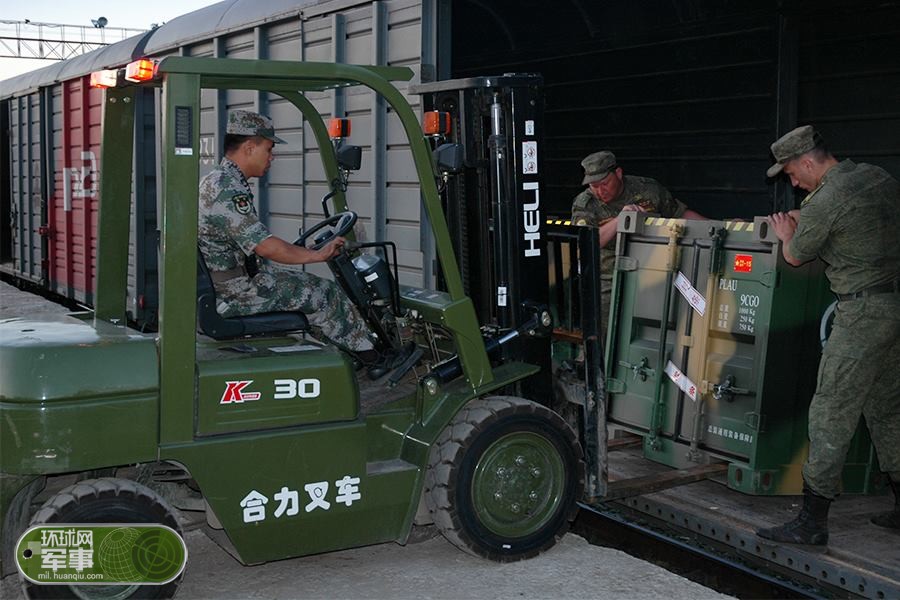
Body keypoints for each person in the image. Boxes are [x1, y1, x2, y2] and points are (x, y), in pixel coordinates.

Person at [757, 125, 900, 545]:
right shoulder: (877, 177)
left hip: (861, 316)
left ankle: (812, 522)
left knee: (830, 412)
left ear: (807, 161)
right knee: (889, 409)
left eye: (791, 174)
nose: (793, 182)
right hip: (894, 305)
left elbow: (797, 255)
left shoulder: (825, 199)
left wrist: (786, 234)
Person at [198, 110, 382, 367]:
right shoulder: (226, 189)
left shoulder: (220, 182)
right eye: (269, 149)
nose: (272, 157)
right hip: (233, 293)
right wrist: (317, 255)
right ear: (250, 147)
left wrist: (304, 249)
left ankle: (344, 359)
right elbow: (266, 246)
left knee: (305, 286)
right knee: (325, 293)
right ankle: (374, 361)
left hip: (230, 285)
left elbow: (258, 241)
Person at [570, 151, 708, 342]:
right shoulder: (586, 204)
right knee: (602, 336)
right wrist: (620, 221)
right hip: (607, 279)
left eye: (604, 184)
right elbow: (587, 243)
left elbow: (679, 214)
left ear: (618, 173)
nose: (600, 191)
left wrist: (717, 226)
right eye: (594, 186)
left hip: (650, 273)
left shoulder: (647, 189)